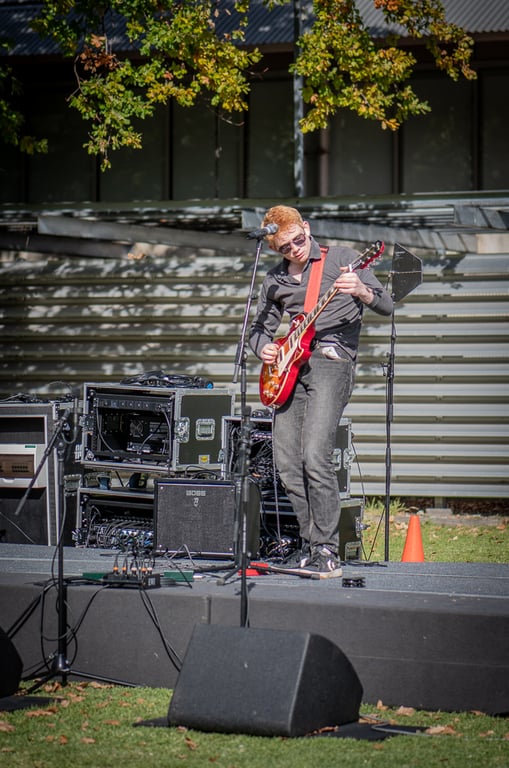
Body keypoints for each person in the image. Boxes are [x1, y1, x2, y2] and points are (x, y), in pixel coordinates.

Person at [249, 205, 393, 578]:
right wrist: (263, 346)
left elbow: (386, 304)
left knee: (315, 454)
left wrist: (360, 288)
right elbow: (258, 329)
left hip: (332, 360)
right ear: (274, 248)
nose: (295, 249)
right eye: (285, 247)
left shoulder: (344, 259)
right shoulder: (275, 280)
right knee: (286, 461)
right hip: (289, 370)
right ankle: (310, 544)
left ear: (307, 229)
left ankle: (327, 548)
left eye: (299, 240)